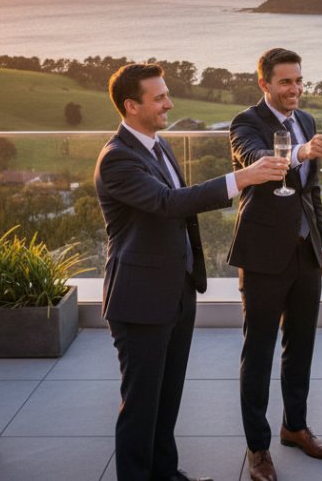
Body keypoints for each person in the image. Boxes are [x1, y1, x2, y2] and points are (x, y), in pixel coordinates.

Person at [96, 62, 288, 481]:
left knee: (166, 401)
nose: (169, 102)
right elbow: (169, 203)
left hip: (175, 290)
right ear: (131, 106)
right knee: (141, 406)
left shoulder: (156, 145)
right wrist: (244, 178)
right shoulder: (117, 160)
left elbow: (175, 206)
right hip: (140, 299)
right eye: (159, 97)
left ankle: (166, 474)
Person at [228, 48, 322, 481]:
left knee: (301, 346)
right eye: (286, 82)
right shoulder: (245, 123)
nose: (295, 89)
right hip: (261, 256)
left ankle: (295, 427)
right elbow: (259, 164)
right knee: (258, 352)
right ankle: (258, 448)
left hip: (305, 253)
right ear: (265, 85)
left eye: (299, 81)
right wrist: (303, 151)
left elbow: (311, 193)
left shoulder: (307, 120)